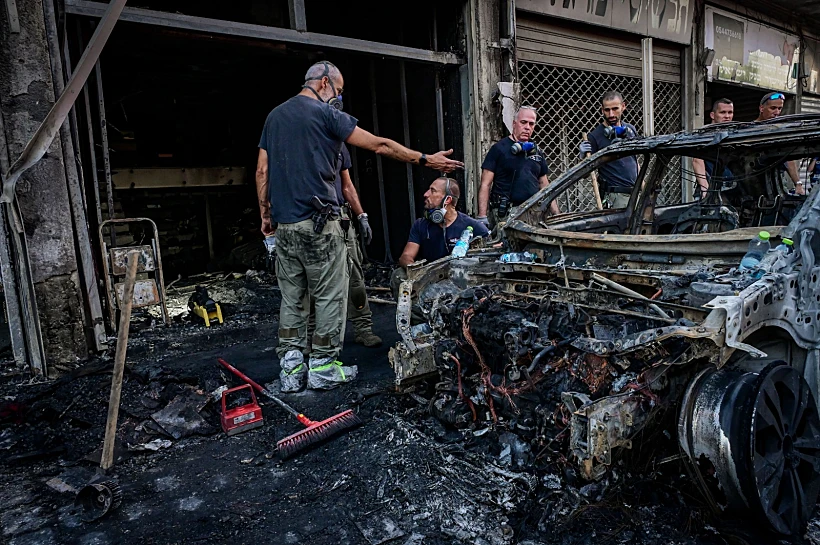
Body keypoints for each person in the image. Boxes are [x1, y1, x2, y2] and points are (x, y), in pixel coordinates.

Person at [256, 60, 463, 390]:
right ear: (324, 83)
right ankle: (323, 365)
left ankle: (292, 369)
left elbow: (262, 173)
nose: (338, 97)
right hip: (321, 225)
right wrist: (425, 159)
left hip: (286, 228)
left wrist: (267, 220)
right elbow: (379, 144)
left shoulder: (274, 117)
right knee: (328, 295)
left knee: (292, 297)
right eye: (338, 90)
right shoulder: (326, 115)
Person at [391, 178, 489, 302]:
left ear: (447, 200)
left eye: (432, 191)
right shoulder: (421, 225)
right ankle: (420, 317)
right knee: (398, 275)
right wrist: (418, 272)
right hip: (429, 277)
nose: (426, 194)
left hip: (459, 281)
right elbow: (406, 256)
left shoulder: (474, 227)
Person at [477, 106, 558, 228]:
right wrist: (482, 217)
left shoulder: (536, 152)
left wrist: (556, 214)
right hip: (507, 215)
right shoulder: (498, 149)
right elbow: (485, 184)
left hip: (533, 213)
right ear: (514, 124)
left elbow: (544, 185)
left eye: (531, 124)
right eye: (523, 122)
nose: (527, 127)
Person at [578, 91, 640, 209]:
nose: (611, 114)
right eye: (607, 110)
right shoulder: (595, 136)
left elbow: (635, 162)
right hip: (614, 196)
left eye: (615, 109)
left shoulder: (630, 130)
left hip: (636, 193)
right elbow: (585, 174)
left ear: (623, 106)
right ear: (602, 110)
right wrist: (582, 158)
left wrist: (644, 187)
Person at [754, 91, 804, 195]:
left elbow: (789, 158)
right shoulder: (749, 130)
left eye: (779, 108)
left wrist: (798, 184)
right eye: (773, 108)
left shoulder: (780, 131)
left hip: (776, 183)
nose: (777, 112)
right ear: (761, 108)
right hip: (753, 182)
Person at [693, 98, 734, 197]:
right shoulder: (704, 135)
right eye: (723, 112)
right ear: (712, 115)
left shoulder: (732, 134)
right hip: (710, 189)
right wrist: (705, 188)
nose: (727, 116)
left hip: (730, 189)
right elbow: (697, 160)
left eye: (730, 112)